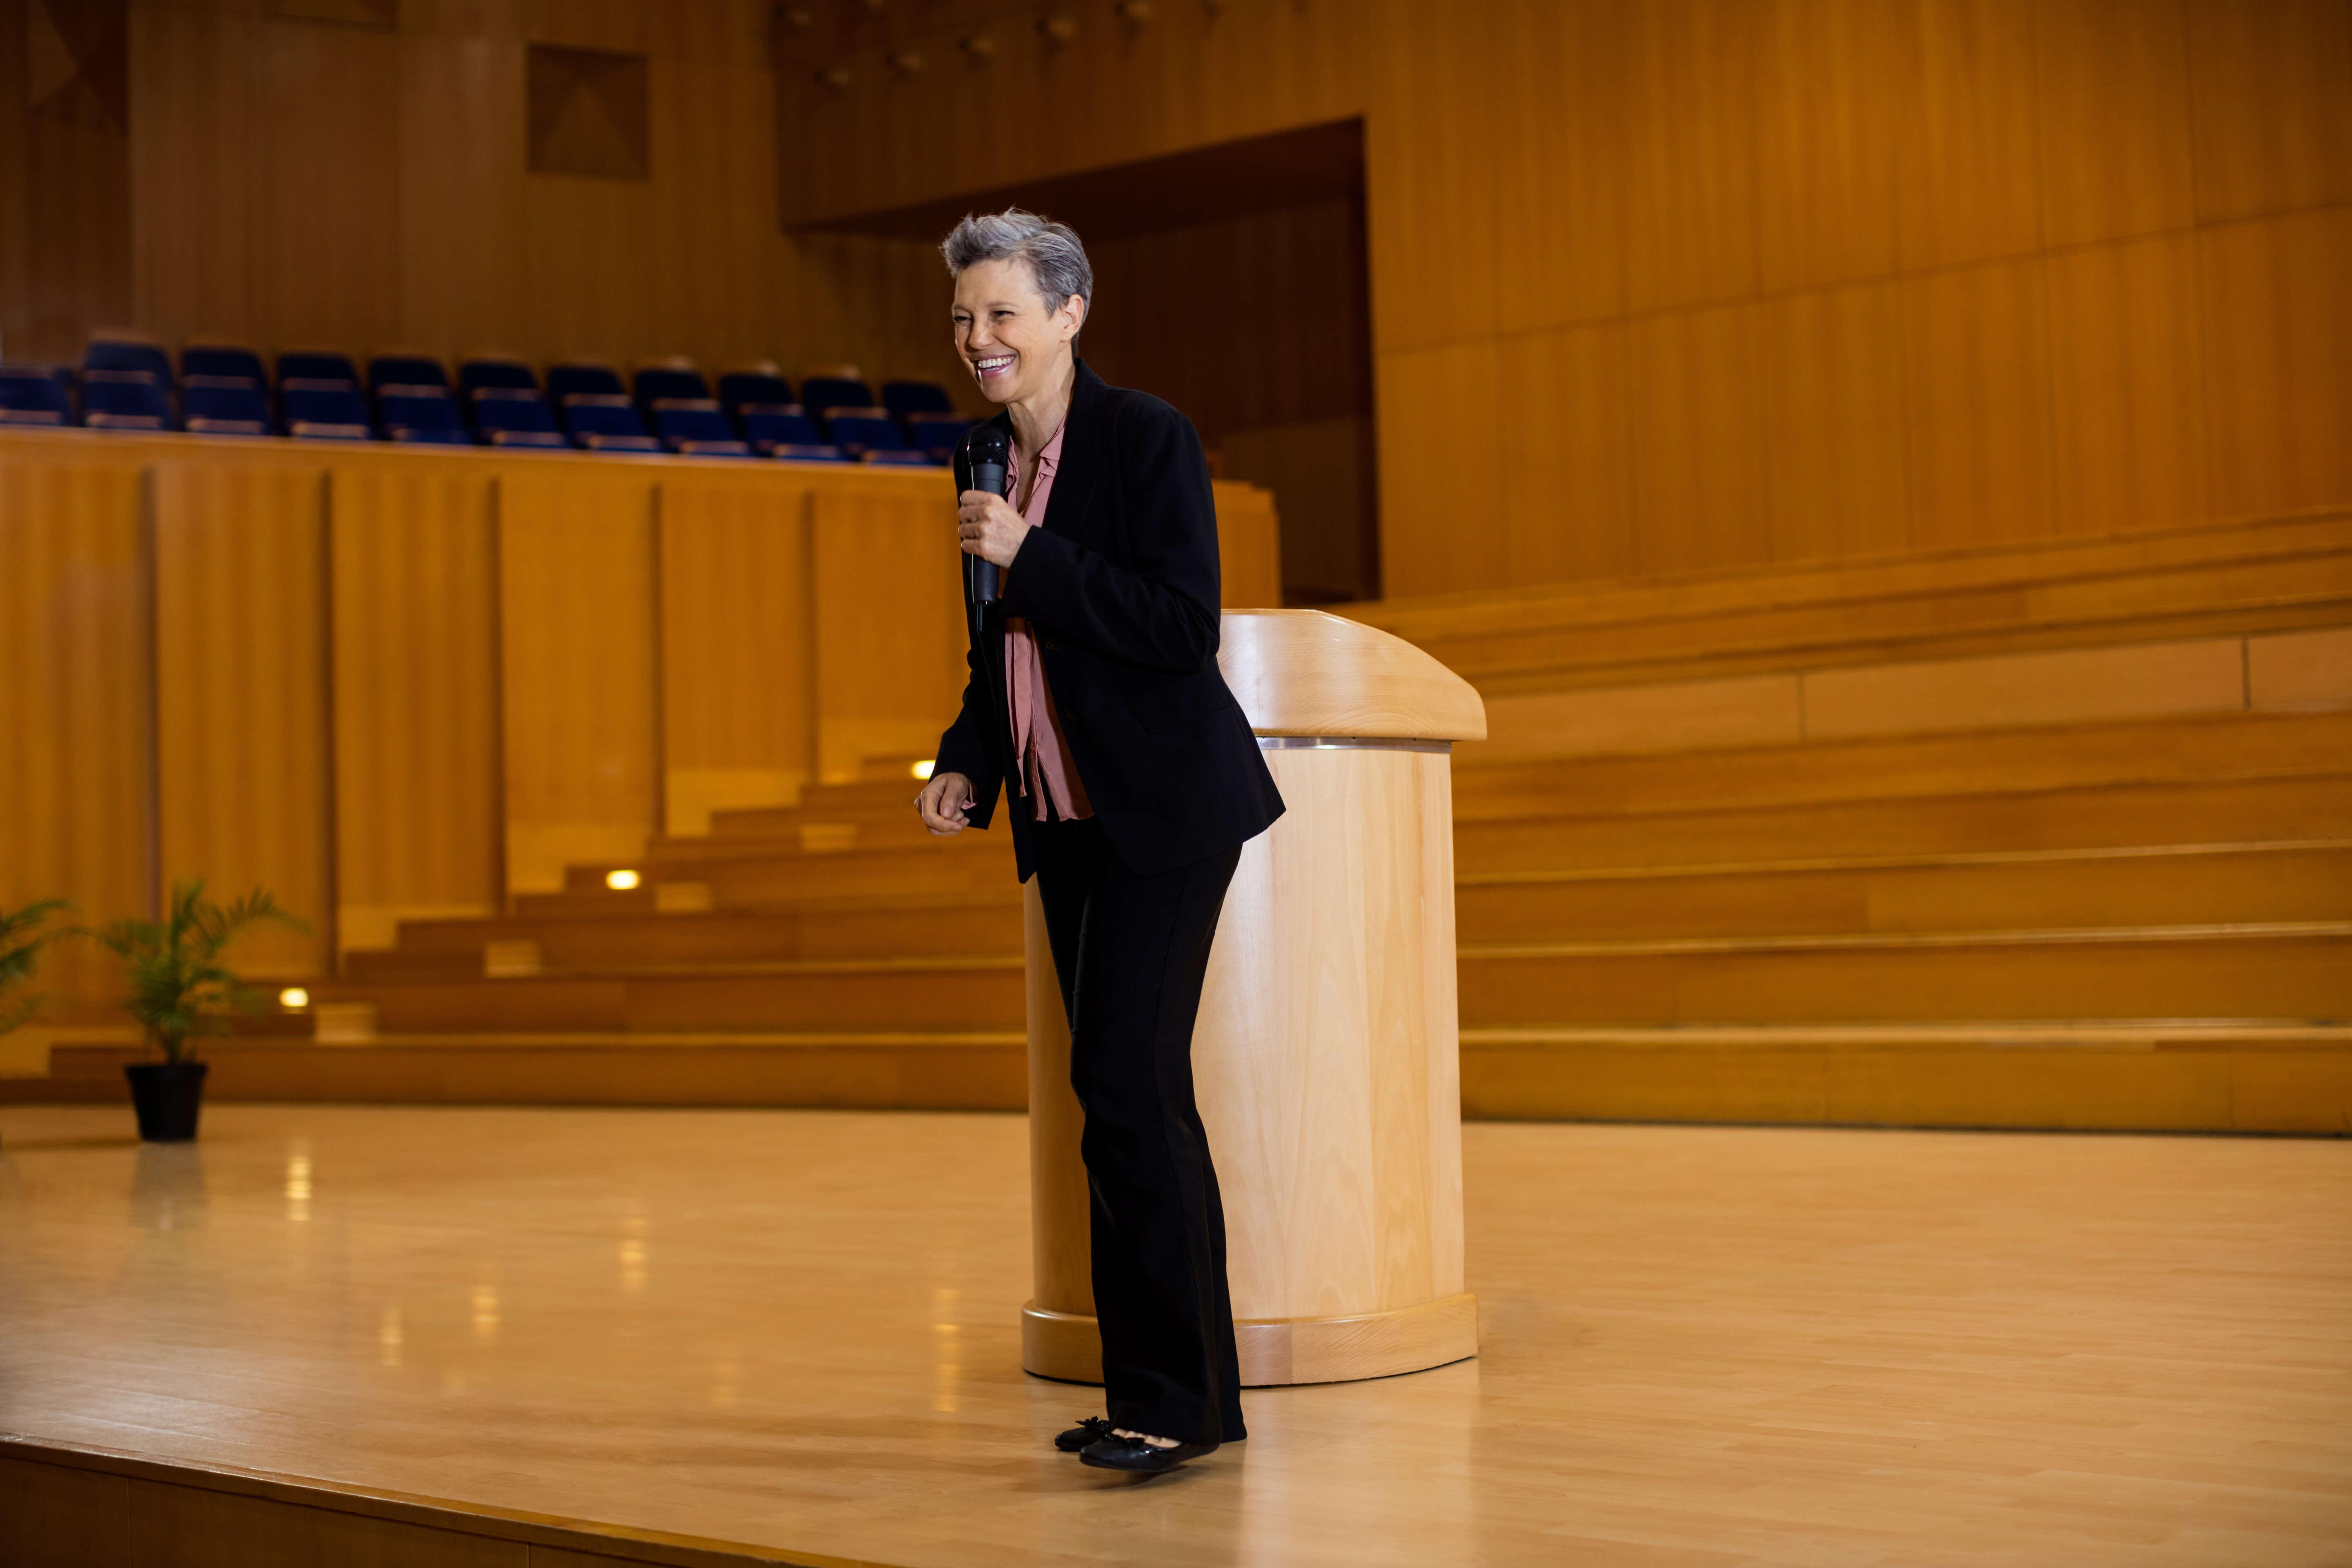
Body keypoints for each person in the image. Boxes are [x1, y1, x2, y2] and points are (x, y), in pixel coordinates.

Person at [913, 209, 1284, 1476]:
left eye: (1004, 313)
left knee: (1130, 1090)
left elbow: (1180, 627)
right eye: (965, 316)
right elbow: (994, 647)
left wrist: (1035, 552)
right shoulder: (974, 452)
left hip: (1166, 814)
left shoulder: (1147, 438)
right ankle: (1154, 1396)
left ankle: (1179, 1402)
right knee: (1113, 1098)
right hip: (1062, 819)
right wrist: (967, 758)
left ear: (1071, 314)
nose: (979, 338)